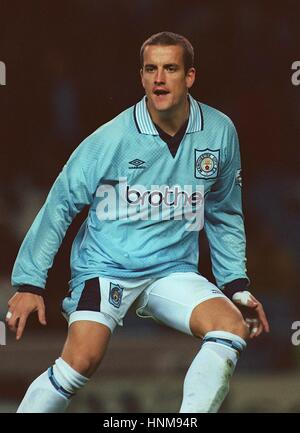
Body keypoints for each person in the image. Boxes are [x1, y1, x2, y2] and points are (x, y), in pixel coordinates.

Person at [6, 31, 269, 413]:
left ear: (190, 76)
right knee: (81, 362)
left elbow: (224, 210)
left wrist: (236, 284)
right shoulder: (110, 139)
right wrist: (30, 282)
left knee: (230, 328)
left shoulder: (219, 131)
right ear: (142, 77)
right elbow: (60, 203)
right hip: (107, 267)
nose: (159, 78)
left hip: (172, 270)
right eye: (151, 69)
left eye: (170, 68)